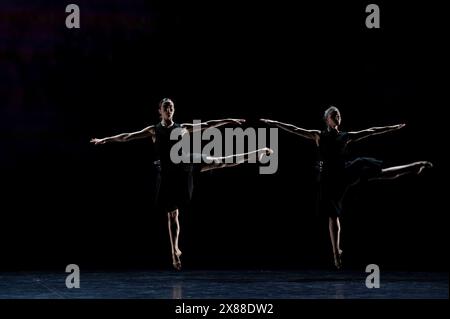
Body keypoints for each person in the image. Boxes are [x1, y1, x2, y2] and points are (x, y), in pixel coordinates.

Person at [91, 98, 272, 270]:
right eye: (166, 107)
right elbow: (127, 136)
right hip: (169, 176)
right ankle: (174, 251)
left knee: (220, 161)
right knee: (172, 215)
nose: (169, 110)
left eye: (171, 107)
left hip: (187, 165)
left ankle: (257, 153)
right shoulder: (153, 130)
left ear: (173, 110)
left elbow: (207, 125)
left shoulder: (183, 128)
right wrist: (105, 140)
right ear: (159, 111)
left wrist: (227, 120)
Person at [261, 106, 432, 269]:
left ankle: (413, 166)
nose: (338, 117)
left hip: (345, 172)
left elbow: (370, 131)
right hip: (329, 179)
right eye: (334, 115)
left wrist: (391, 128)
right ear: (327, 119)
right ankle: (336, 252)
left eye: (339, 115)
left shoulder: (345, 136)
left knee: (376, 171)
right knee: (333, 215)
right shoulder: (318, 135)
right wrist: (274, 123)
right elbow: (294, 129)